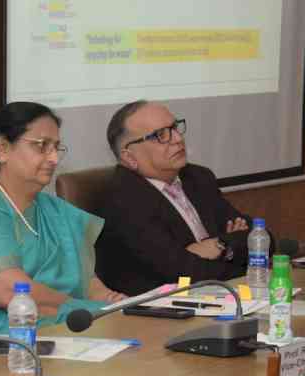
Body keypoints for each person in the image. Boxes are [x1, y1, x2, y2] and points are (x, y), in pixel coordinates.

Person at [0, 102, 126, 336]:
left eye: (56, 147)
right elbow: (10, 293)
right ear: (2, 149)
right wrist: (91, 309)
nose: (53, 158)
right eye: (42, 146)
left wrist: (119, 304)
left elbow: (90, 286)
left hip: (56, 326)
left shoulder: (54, 209)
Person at [96, 100, 257, 296]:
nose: (178, 138)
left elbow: (259, 238)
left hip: (218, 296)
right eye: (160, 135)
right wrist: (235, 252)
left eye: (174, 128)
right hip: (160, 314)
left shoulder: (198, 177)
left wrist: (220, 245)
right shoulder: (123, 200)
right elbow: (184, 275)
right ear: (129, 157)